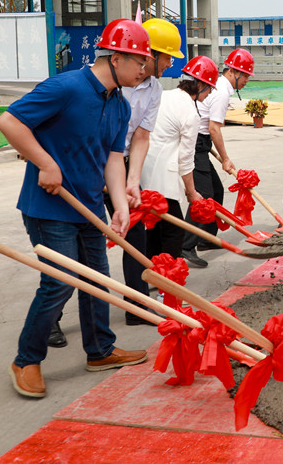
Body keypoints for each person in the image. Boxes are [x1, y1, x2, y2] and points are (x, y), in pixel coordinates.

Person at [0, 18, 151, 399]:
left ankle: (99, 351)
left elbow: (115, 160)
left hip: (88, 207)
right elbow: (10, 121)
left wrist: (119, 206)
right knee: (60, 281)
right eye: (139, 62)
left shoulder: (119, 106)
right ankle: (26, 359)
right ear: (116, 58)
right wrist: (46, 164)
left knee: (98, 279)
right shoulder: (65, 87)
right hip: (48, 206)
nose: (144, 70)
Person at [103, 17, 183, 327]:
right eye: (167, 57)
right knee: (80, 240)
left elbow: (141, 137)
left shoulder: (154, 90)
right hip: (89, 163)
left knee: (135, 232)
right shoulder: (111, 84)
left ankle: (137, 306)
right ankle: (53, 315)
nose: (169, 63)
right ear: (149, 54)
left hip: (119, 162)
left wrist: (132, 180)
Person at [140, 56, 218, 265]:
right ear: (200, 84)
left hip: (144, 170)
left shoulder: (164, 95)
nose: (209, 93)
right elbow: (186, 159)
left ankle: (152, 274)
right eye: (209, 88)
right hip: (164, 175)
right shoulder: (191, 113)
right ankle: (168, 278)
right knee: (174, 231)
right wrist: (192, 192)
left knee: (155, 227)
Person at [181, 48, 253, 268]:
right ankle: (185, 245)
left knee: (217, 190)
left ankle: (206, 238)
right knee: (202, 196)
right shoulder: (221, 91)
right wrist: (225, 158)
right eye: (245, 75)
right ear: (232, 71)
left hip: (201, 143)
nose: (247, 81)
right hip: (195, 142)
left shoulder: (221, 88)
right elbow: (214, 129)